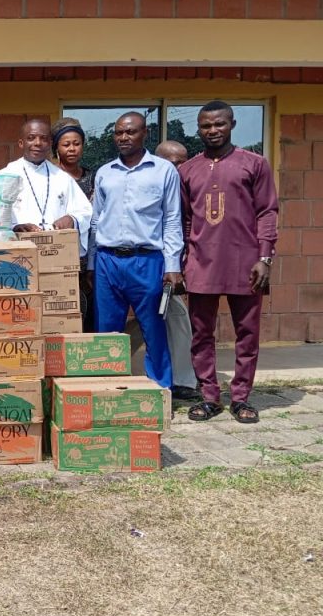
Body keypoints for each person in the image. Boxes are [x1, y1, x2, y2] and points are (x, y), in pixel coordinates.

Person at [179, 101, 279, 424]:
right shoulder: (188, 170)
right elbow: (182, 220)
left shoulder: (254, 164)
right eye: (206, 126)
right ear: (199, 128)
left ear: (232, 124)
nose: (212, 131)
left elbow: (267, 212)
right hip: (201, 263)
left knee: (247, 334)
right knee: (200, 334)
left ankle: (240, 398)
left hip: (246, 264)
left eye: (219, 124)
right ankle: (209, 396)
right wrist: (181, 260)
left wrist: (264, 257)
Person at [88, 112, 183, 389]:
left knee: (153, 329)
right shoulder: (105, 172)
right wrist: (93, 264)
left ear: (145, 134)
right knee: (107, 332)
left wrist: (172, 265)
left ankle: (159, 390)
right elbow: (96, 221)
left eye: (130, 132)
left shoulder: (164, 170)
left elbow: (172, 219)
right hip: (108, 261)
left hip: (147, 261)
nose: (124, 137)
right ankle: (108, 389)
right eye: (118, 133)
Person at [152, 140, 200, 402]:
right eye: (173, 162)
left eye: (183, 162)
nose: (179, 168)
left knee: (177, 317)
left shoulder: (191, 189)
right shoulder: (149, 185)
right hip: (143, 264)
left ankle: (182, 380)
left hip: (173, 269)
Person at [3, 118, 92, 255]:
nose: (38, 143)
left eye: (43, 139)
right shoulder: (6, 176)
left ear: (50, 144)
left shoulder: (62, 177)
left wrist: (72, 219)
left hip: (55, 254)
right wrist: (14, 227)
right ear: (21, 143)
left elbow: (84, 211)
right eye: (31, 138)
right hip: (17, 252)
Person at [52, 117, 95, 200]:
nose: (72, 149)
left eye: (76, 144)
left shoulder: (92, 178)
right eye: (66, 145)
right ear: (56, 147)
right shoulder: (48, 176)